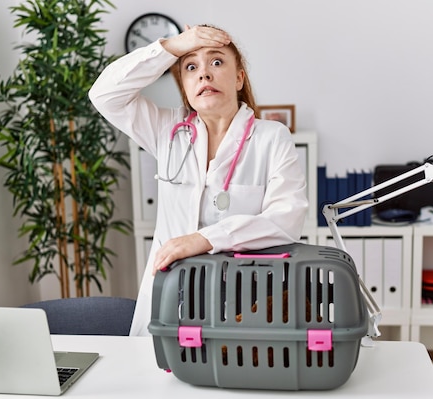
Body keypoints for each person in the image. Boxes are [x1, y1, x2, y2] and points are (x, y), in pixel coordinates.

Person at [89, 25, 308, 336]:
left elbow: (286, 219)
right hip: (170, 298)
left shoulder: (271, 138)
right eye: (191, 67)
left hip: (242, 301)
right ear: (185, 85)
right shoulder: (167, 130)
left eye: (217, 62)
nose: (204, 74)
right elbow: (104, 94)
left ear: (239, 78)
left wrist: (205, 239)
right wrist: (172, 46)